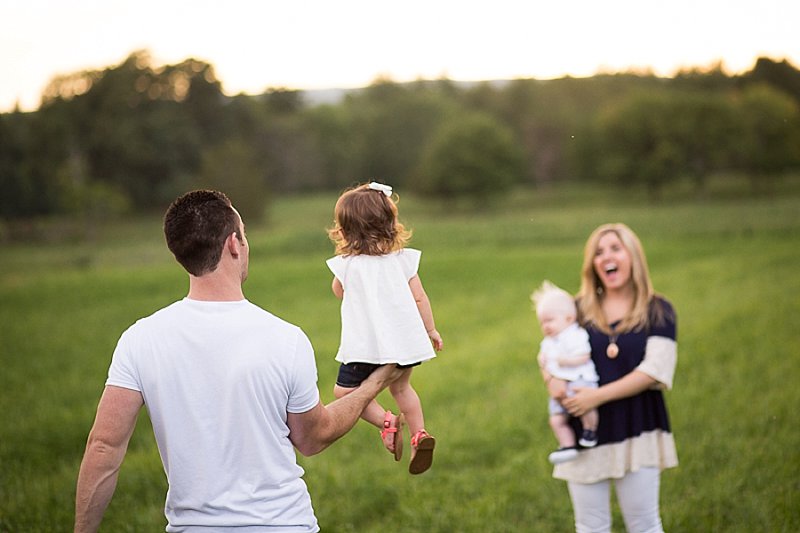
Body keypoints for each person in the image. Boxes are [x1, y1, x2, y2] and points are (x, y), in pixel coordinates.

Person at [74, 190, 403, 533]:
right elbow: (313, 437)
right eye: (244, 236)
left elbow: (104, 447)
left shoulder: (140, 339)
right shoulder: (285, 339)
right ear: (234, 244)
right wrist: (373, 385)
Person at [541, 223, 678, 533]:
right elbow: (548, 354)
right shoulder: (576, 310)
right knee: (591, 526)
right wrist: (553, 383)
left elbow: (654, 370)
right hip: (585, 434)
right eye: (598, 252)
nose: (606, 257)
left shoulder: (659, 310)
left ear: (633, 256)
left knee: (643, 524)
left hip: (638, 428)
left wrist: (596, 396)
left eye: (615, 248)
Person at [326, 182, 443, 475]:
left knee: (344, 393)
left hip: (365, 347)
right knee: (402, 387)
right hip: (404, 343)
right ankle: (419, 434)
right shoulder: (403, 260)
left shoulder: (347, 265)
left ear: (347, 231)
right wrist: (430, 331)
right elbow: (419, 297)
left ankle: (386, 422)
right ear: (390, 224)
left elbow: (338, 291)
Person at [532, 280, 599, 464]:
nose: (545, 326)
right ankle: (567, 445)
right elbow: (543, 358)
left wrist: (565, 361)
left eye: (549, 321)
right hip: (560, 386)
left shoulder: (576, 335)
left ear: (569, 318)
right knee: (556, 420)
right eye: (542, 323)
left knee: (586, 408)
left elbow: (584, 356)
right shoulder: (548, 341)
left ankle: (590, 430)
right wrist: (542, 361)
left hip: (580, 380)